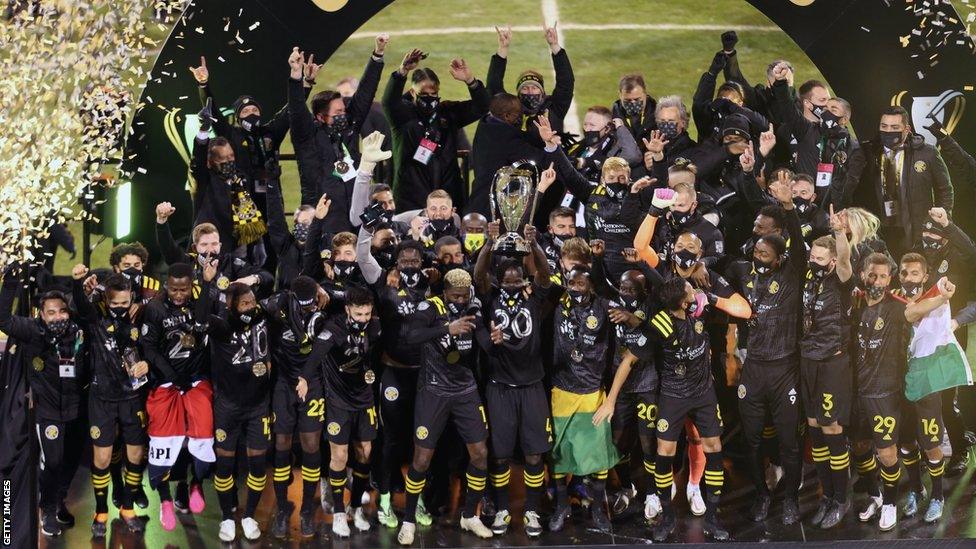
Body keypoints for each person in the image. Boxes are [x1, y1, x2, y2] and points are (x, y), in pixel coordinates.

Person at [727, 179, 808, 524]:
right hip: (755, 368)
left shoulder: (792, 274)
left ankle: (790, 497)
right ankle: (762, 494)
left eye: (764, 254)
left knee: (789, 443)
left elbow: (800, 248)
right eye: (756, 252)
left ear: (779, 258)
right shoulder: (743, 274)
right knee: (753, 440)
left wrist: (788, 207)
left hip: (785, 368)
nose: (757, 258)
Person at [397, 268, 494, 544]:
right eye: (456, 296)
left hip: (465, 390)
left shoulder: (473, 308)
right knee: (421, 458)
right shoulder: (430, 307)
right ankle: (408, 519)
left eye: (464, 296)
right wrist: (446, 328)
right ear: (445, 292)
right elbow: (411, 335)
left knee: (480, 454)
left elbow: (484, 342)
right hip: (433, 390)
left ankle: (469, 515)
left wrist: (495, 342)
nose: (461, 301)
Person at [473, 223, 553, 538]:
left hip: (532, 385)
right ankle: (503, 509)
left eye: (516, 277)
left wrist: (534, 247)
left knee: (535, 454)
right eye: (506, 278)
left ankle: (532, 511)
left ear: (522, 277)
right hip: (500, 387)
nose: (511, 281)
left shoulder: (533, 296)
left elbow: (544, 275)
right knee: (501, 453)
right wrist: (488, 245)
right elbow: (479, 276)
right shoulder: (490, 294)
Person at [641, 277, 729, 542]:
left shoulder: (701, 310)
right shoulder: (661, 324)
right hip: (673, 394)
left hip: (703, 394)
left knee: (713, 447)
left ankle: (712, 516)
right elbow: (632, 357)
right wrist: (610, 401)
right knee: (664, 452)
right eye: (691, 290)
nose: (696, 290)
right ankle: (667, 517)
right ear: (682, 301)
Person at [0, 269, 85, 537]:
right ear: (41, 314)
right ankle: (46, 509)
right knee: (53, 460)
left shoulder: (78, 330)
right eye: (51, 312)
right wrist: (11, 282)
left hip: (77, 409)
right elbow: (2, 319)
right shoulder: (33, 331)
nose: (58, 317)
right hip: (48, 412)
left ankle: (58, 501)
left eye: (62, 311)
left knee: (70, 462)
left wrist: (81, 284)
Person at [70, 266, 149, 537]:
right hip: (101, 398)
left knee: (136, 454)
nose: (119, 308)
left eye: (124, 303)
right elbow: (80, 305)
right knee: (102, 457)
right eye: (114, 303)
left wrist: (146, 365)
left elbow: (153, 348)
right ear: (106, 300)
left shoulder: (141, 316)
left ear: (132, 298)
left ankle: (128, 507)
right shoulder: (95, 318)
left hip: (132, 397)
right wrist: (78, 282)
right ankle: (101, 511)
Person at [140, 263, 216, 531]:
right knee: (162, 442)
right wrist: (172, 375)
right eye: (174, 288)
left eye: (184, 289)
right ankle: (164, 501)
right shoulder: (155, 308)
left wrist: (207, 284)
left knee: (203, 437)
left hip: (196, 382)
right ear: (166, 285)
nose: (179, 294)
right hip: (166, 385)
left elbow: (204, 325)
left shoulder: (199, 303)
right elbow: (148, 348)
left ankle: (197, 485)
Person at [197, 277, 272, 542]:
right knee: (225, 465)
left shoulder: (262, 316)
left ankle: (249, 514)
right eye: (244, 304)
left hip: (259, 404)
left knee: (258, 463)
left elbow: (274, 280)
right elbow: (201, 317)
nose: (251, 307)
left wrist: (252, 279)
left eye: (252, 302)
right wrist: (209, 286)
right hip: (228, 405)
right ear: (231, 306)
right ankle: (227, 517)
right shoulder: (221, 325)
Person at [287, 38, 385, 230]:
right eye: (338, 113)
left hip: (354, 213)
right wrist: (296, 76)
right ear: (320, 117)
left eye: (344, 111)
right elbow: (296, 109)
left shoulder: (349, 129)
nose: (344, 116)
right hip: (324, 218)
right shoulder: (307, 136)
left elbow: (365, 94)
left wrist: (377, 56)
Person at [306, 286, 380, 538]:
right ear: (348, 309)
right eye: (359, 314)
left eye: (367, 314)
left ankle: (355, 507)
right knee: (339, 456)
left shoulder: (374, 326)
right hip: (338, 401)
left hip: (365, 399)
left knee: (365, 452)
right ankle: (338, 512)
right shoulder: (333, 328)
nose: (363, 319)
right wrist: (305, 377)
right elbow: (316, 354)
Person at [537, 115, 647, 280]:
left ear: (629, 179)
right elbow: (569, 173)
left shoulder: (638, 195)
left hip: (633, 272)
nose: (616, 182)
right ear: (602, 180)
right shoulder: (591, 194)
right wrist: (551, 145)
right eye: (611, 178)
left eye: (621, 178)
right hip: (598, 271)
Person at [383, 48, 490, 211]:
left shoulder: (448, 113)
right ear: (412, 92)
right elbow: (388, 102)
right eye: (423, 94)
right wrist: (402, 72)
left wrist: (471, 81)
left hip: (448, 198)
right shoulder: (403, 116)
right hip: (412, 200)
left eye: (434, 94)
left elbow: (482, 107)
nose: (430, 99)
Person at [263, 276, 328, 539]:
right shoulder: (277, 303)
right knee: (282, 444)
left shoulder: (325, 305)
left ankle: (306, 510)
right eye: (301, 305)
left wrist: (326, 294)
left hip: (311, 382)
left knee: (311, 445)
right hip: (283, 382)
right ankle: (281, 507)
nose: (306, 309)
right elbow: (252, 301)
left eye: (310, 304)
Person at [800, 217, 855, 529]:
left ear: (832, 261)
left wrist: (838, 232)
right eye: (813, 258)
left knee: (832, 427)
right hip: (808, 360)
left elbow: (846, 258)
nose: (815, 263)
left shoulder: (841, 279)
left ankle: (840, 498)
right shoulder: (810, 278)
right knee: (814, 428)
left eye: (820, 259)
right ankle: (826, 496)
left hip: (833, 363)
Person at [842, 106, 953, 256]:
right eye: (884, 126)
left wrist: (941, 221)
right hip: (878, 230)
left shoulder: (927, 153)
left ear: (906, 129)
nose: (888, 131)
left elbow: (945, 190)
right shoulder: (867, 152)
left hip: (915, 231)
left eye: (894, 127)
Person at [850, 253, 907, 531]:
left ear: (890, 279)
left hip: (884, 392)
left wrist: (942, 297)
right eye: (873, 275)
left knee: (887, 453)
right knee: (859, 447)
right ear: (863, 274)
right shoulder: (854, 301)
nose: (878, 281)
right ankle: (875, 495)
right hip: (855, 390)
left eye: (884, 276)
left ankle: (891, 504)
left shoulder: (896, 307)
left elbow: (917, 310)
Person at [898, 254, 955, 523]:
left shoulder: (938, 304)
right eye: (904, 272)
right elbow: (907, 312)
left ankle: (937, 495)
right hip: (899, 382)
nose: (908, 278)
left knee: (931, 444)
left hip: (927, 384)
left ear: (924, 276)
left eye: (914, 273)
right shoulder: (893, 298)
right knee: (906, 442)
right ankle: (915, 488)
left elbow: (914, 313)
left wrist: (941, 297)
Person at [770, 64, 854, 209]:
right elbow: (787, 108)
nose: (827, 107)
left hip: (832, 206)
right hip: (803, 200)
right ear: (808, 104)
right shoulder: (805, 130)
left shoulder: (845, 140)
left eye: (829, 102)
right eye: (823, 102)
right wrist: (781, 83)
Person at [155, 203, 274, 297]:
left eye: (214, 244)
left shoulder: (231, 263)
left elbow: (267, 276)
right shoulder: (188, 262)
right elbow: (169, 249)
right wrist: (162, 221)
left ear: (220, 246)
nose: (210, 249)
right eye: (204, 244)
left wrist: (253, 279)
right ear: (194, 248)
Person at [487, 22, 575, 147]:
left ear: (542, 91)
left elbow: (566, 82)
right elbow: (493, 86)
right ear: (518, 92)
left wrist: (555, 46)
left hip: (550, 163)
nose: (529, 91)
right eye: (525, 88)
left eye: (534, 88)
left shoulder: (555, 107)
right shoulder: (509, 108)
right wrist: (503, 49)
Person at [190, 134, 267, 264]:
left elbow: (249, 212)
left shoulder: (241, 178)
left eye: (231, 156)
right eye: (223, 158)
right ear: (210, 162)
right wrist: (203, 133)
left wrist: (258, 242)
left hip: (239, 249)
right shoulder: (206, 179)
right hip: (211, 248)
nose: (229, 161)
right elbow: (198, 162)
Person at [466, 93, 545, 217]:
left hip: (478, 200)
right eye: (518, 114)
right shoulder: (506, 138)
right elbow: (541, 158)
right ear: (506, 116)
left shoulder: (485, 124)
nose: (521, 117)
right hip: (494, 208)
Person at [565, 106, 641, 180]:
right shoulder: (577, 148)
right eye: (585, 124)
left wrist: (620, 127)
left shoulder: (614, 152)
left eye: (592, 125)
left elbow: (633, 156)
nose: (587, 129)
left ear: (607, 128)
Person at [612, 74, 657, 149]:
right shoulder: (612, 118)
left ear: (645, 93)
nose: (633, 103)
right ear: (620, 95)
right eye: (628, 100)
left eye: (637, 99)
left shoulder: (659, 116)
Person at [791, 174, 831, 245]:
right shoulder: (781, 213)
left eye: (803, 193)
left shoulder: (822, 220)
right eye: (794, 193)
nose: (798, 197)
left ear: (813, 197)